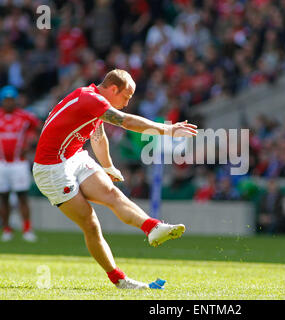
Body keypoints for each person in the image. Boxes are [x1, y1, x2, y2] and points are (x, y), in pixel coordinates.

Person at [32, 69, 198, 289]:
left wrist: (108, 166)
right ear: (113, 89)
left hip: (73, 157)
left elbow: (98, 137)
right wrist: (167, 129)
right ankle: (119, 280)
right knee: (90, 224)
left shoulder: (93, 101)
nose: (127, 102)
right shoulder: (90, 99)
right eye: (126, 96)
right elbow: (125, 121)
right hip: (51, 169)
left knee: (112, 193)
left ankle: (152, 227)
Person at [0, 86, 41, 242]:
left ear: (15, 100)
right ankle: (7, 229)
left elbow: (40, 129)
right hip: (2, 163)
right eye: (6, 100)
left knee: (22, 197)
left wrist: (31, 146)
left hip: (19, 163)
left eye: (11, 100)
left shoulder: (25, 117)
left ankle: (27, 229)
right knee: (3, 198)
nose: (9, 103)